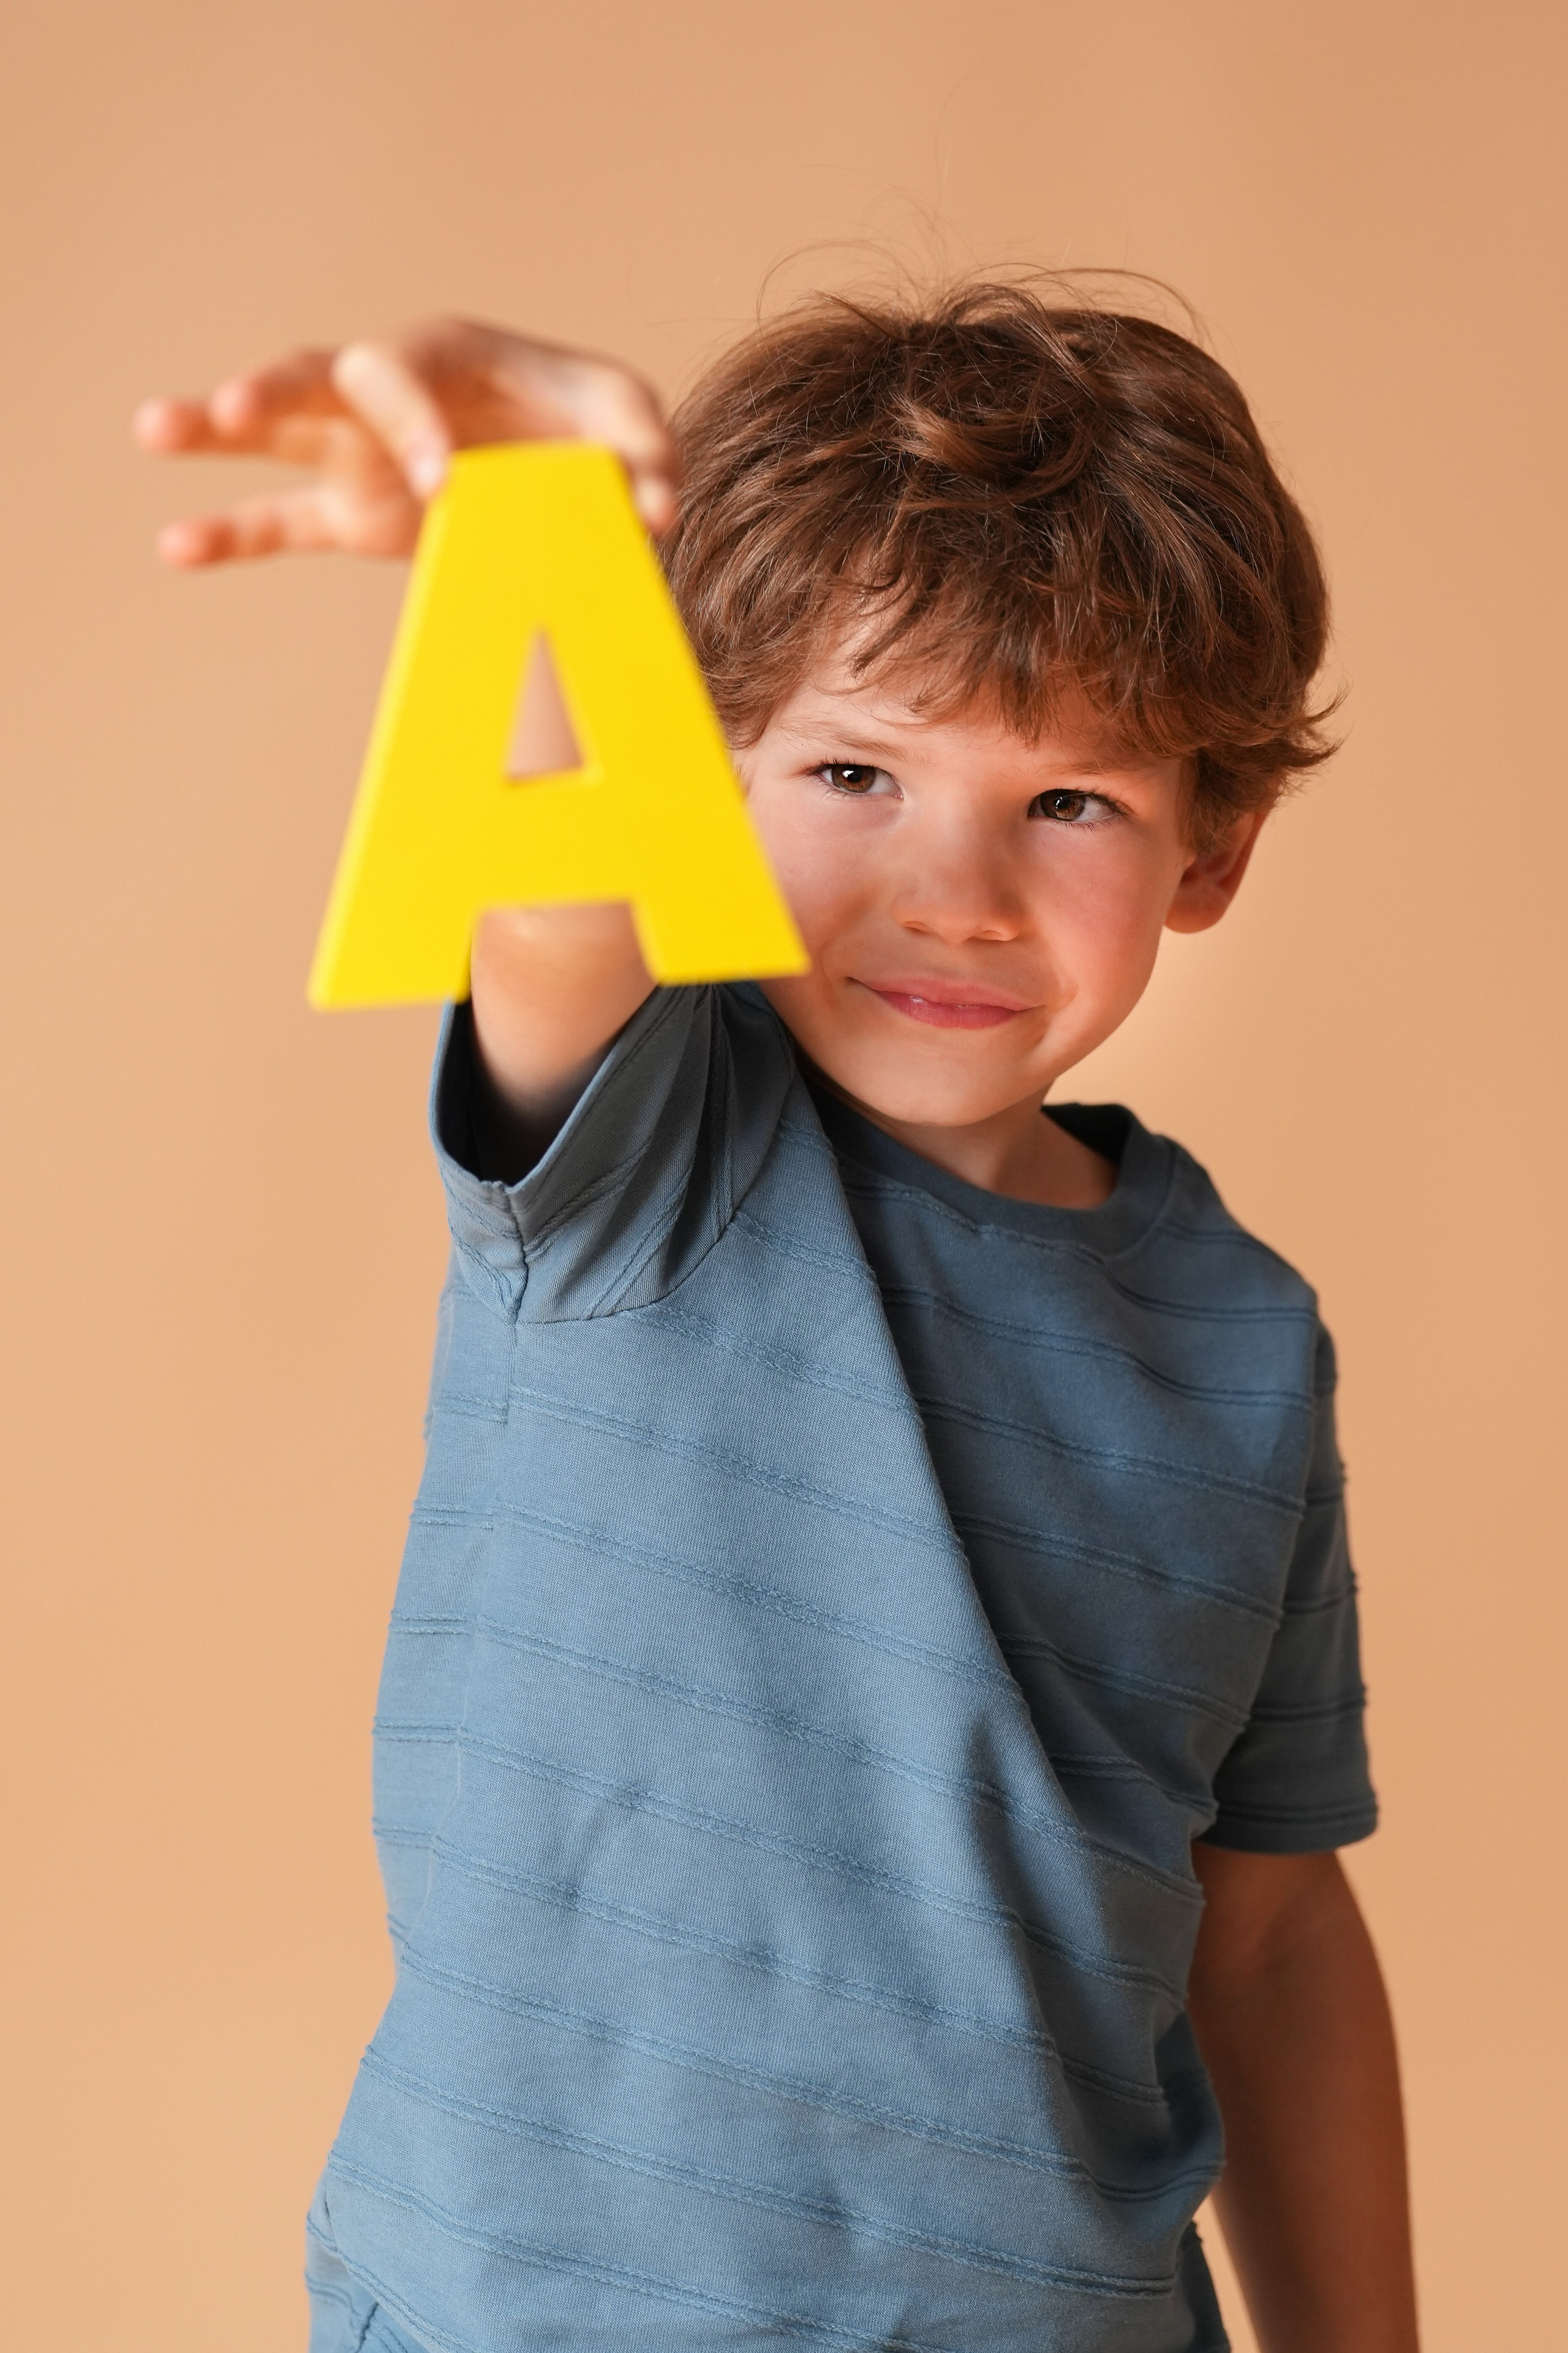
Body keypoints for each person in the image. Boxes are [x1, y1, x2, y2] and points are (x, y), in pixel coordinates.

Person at [137, 285, 1420, 2353]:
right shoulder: (654, 1133)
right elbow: (557, 893)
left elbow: (1265, 1925)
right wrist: (554, 525)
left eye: (1068, 802)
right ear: (705, 789)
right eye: (850, 768)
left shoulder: (1243, 1333)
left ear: (1217, 844)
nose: (958, 886)